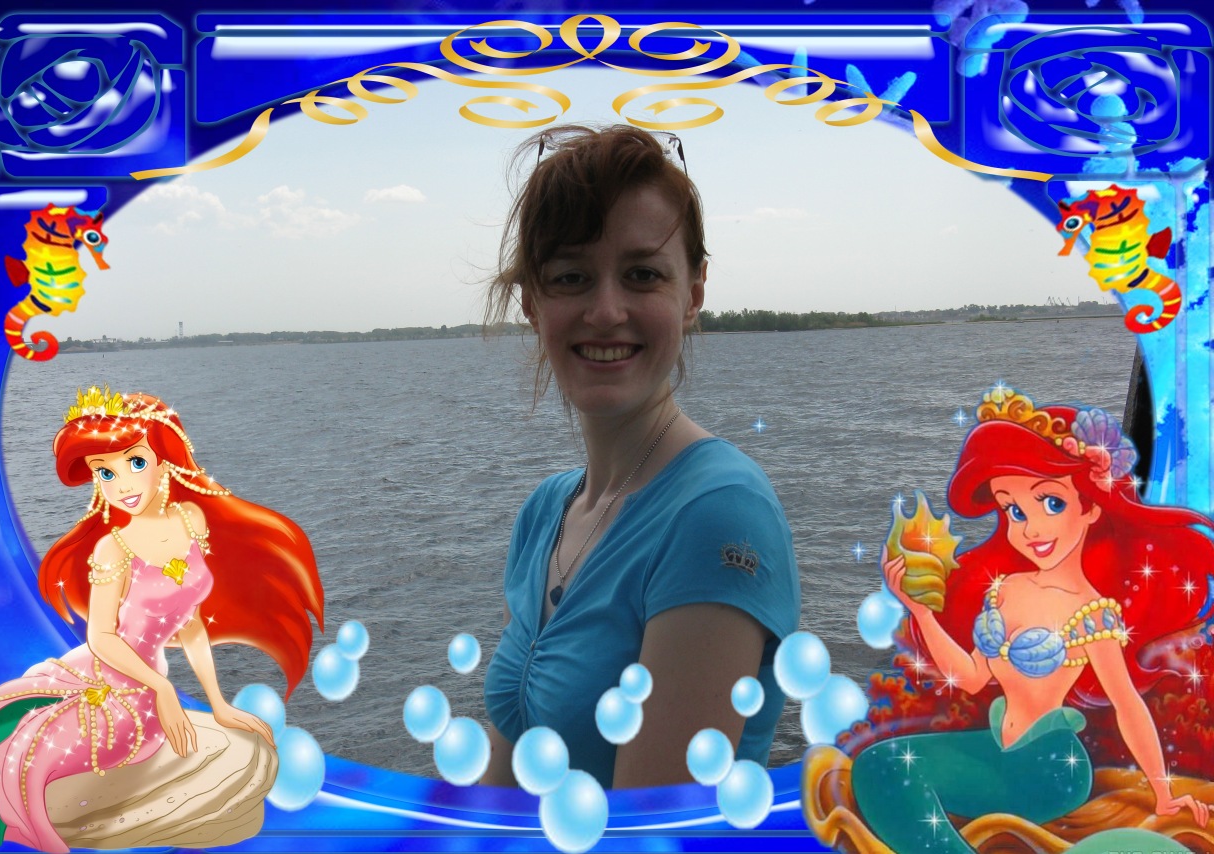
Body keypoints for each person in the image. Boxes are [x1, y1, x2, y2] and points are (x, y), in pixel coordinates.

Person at [480, 125, 801, 790]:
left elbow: (651, 829)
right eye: (571, 277)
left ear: (693, 294)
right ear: (533, 303)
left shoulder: (716, 514)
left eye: (642, 275)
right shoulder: (545, 513)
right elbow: (504, 781)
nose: (605, 311)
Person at [0, 387, 324, 852]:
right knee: (24, 752)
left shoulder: (192, 520)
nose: (122, 485)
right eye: (105, 472)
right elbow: (101, 635)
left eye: (135, 463)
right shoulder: (113, 549)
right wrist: (162, 689)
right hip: (114, 685)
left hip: (145, 683)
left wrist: (218, 703)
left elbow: (191, 624)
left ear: (163, 460)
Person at [853, 385, 1212, 852]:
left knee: (888, 772)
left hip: (1049, 768)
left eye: (1052, 503)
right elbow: (971, 677)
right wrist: (921, 611)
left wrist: (1163, 794)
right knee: (877, 766)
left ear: (1090, 507)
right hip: (997, 749)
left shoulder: (1092, 613)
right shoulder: (1008, 588)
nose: (1031, 528)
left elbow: (1127, 704)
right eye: (1014, 510)